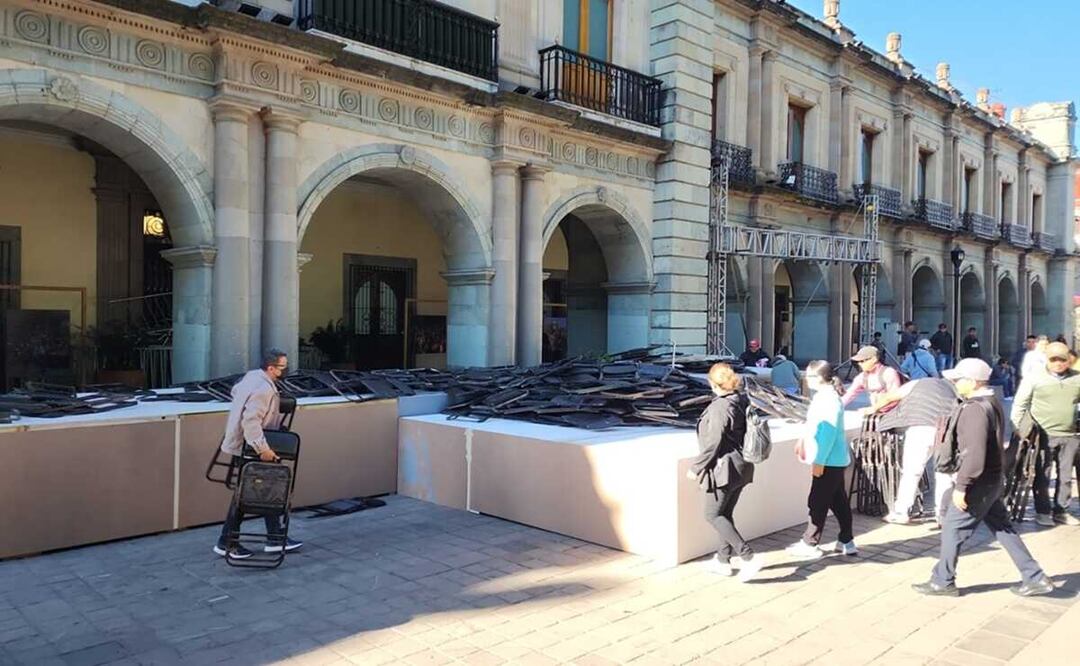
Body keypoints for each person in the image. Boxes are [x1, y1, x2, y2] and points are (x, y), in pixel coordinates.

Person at [912, 358, 1054, 598]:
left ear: (972, 381)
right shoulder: (991, 402)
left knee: (952, 528)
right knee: (1002, 527)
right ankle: (1034, 576)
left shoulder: (974, 409)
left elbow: (974, 454)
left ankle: (942, 580)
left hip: (978, 482)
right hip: (992, 479)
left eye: (958, 379)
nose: (955, 383)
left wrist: (962, 487)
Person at [214, 349, 304, 559]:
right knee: (250, 494)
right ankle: (228, 542)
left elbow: (236, 391)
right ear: (271, 368)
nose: (285, 371)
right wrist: (263, 449)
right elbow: (251, 421)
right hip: (251, 448)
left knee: (261, 491)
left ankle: (273, 537)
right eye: (283, 367)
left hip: (243, 445)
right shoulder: (263, 388)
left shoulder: (252, 376)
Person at [690, 363, 763, 582]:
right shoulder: (740, 399)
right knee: (725, 514)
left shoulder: (721, 406)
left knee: (712, 514)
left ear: (713, 384)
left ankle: (748, 557)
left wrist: (697, 467)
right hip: (741, 466)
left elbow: (714, 441)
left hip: (725, 469)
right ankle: (723, 560)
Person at [786, 360, 857, 560]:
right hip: (833, 459)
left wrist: (819, 460)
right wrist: (803, 440)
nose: (806, 380)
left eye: (809, 376)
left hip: (828, 460)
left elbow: (828, 432)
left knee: (817, 501)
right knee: (838, 501)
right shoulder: (826, 397)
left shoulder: (828, 399)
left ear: (819, 378)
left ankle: (811, 542)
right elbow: (816, 425)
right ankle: (846, 540)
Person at [871, 378, 960, 526]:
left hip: (921, 426)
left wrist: (872, 409)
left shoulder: (916, 383)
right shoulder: (952, 388)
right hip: (946, 429)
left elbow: (889, 397)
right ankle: (943, 515)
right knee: (943, 472)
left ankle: (901, 512)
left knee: (912, 471)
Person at [1010, 341, 1080, 527]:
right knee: (1042, 474)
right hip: (1042, 435)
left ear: (1068, 361)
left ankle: (1061, 511)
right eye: (1053, 359)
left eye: (1062, 360)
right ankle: (1043, 511)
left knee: (1065, 477)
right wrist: (1018, 428)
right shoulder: (1034, 378)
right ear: (1047, 359)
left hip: (1070, 435)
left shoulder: (1077, 379)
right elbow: (1020, 404)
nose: (1058, 363)